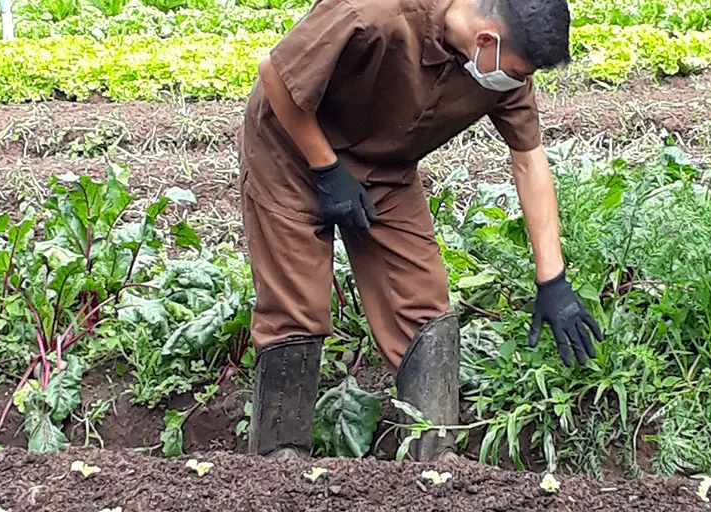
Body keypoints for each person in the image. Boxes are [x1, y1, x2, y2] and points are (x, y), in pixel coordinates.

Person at [237, 0, 604, 462]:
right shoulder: (374, 12)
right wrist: (326, 167)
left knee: (421, 301)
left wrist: (553, 279)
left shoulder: (500, 66)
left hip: (384, 167)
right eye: (517, 72)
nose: (518, 82)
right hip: (289, 150)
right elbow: (276, 74)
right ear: (486, 40)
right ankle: (278, 462)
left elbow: (528, 159)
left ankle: (434, 456)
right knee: (297, 306)